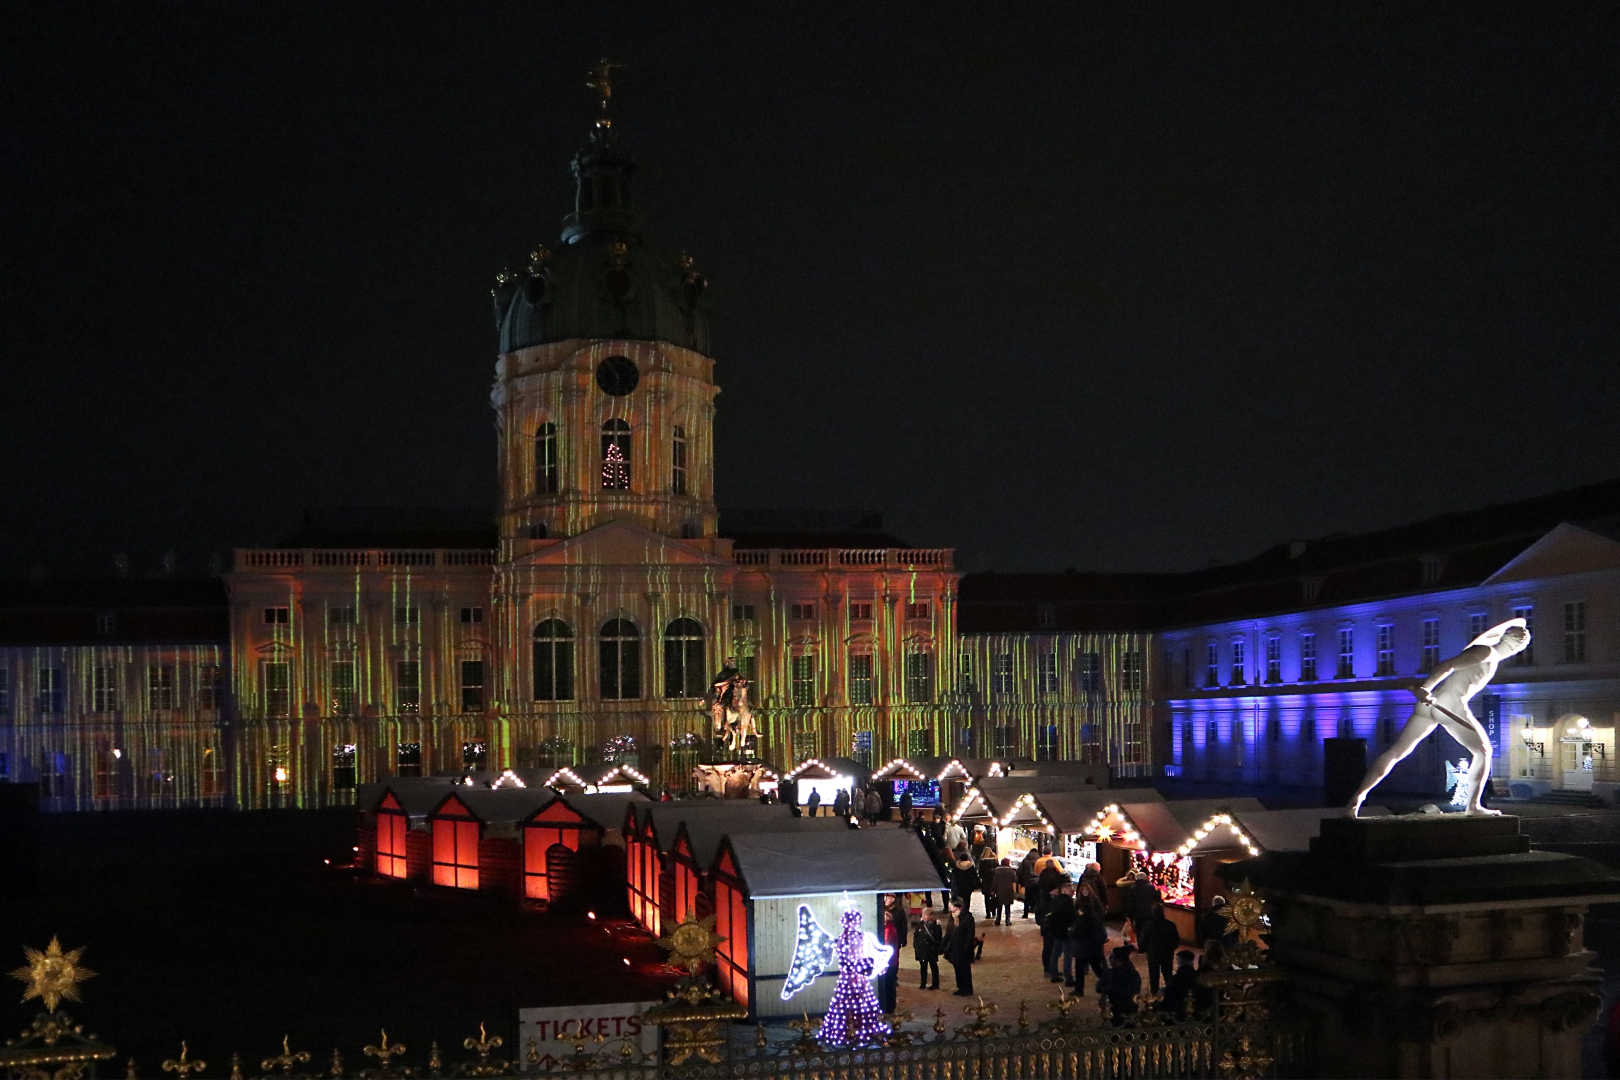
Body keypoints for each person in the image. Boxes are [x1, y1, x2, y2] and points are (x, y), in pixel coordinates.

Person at [1346, 618, 1531, 816]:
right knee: (1483, 752)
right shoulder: (1487, 652)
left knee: (1395, 753)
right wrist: (1426, 687)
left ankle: (1355, 801)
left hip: (1431, 704)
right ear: (1516, 646)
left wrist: (1427, 690)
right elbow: (1447, 666)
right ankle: (1473, 806)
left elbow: (1449, 668)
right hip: (1449, 703)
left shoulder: (1489, 655)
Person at [1069, 882, 1109, 994]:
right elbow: (1102, 934)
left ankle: (1079, 989)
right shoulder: (1095, 920)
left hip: (1083, 948)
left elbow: (1075, 934)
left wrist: (1070, 932)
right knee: (1097, 967)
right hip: (1093, 948)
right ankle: (1107, 984)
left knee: (1079, 969)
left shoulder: (1081, 920)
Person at [876, 893, 907, 1014]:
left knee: (889, 984)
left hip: (889, 962)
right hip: (889, 961)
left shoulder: (889, 930)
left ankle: (889, 1007)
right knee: (887, 984)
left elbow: (887, 945)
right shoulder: (886, 928)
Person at [1141, 904, 1180, 994]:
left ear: (1152, 912)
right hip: (1167, 954)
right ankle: (1170, 993)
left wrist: (1145, 950)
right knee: (1168, 975)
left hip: (1153, 954)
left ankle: (1154, 995)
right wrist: (1171, 949)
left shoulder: (1148, 925)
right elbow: (1176, 940)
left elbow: (1143, 940)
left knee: (1154, 976)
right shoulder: (1170, 924)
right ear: (1163, 912)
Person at [1044, 883, 1077, 984]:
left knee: (1055, 952)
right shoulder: (1067, 902)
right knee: (1068, 954)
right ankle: (1068, 976)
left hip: (1057, 931)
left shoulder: (1056, 900)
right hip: (1065, 932)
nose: (1073, 892)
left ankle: (1054, 973)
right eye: (1071, 890)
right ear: (1065, 891)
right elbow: (1069, 917)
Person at [944, 897, 976, 995]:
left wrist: (966, 947)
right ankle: (961, 987)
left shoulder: (967, 917)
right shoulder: (952, 917)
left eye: (951, 905)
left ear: (957, 906)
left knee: (965, 969)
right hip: (954, 948)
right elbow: (948, 932)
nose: (949, 906)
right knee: (957, 968)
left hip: (963, 949)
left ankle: (967, 989)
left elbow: (970, 934)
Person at [1123, 871, 1162, 947]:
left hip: (1137, 913)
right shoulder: (1151, 887)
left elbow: (1130, 903)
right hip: (1149, 912)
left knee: (1139, 930)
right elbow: (1156, 898)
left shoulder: (1132, 888)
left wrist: (1128, 915)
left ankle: (1141, 946)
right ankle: (1148, 945)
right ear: (1145, 878)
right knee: (1149, 928)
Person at [1105, 945, 1141, 1024]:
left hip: (1127, 1007)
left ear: (1119, 960)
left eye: (1112, 957)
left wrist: (1110, 989)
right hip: (1114, 1006)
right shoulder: (1110, 972)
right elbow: (1099, 986)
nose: (1109, 959)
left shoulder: (1132, 974)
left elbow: (1132, 991)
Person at [1156, 950, 1198, 1015]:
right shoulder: (1198, 976)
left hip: (1178, 1010)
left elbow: (1168, 996)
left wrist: (1162, 991)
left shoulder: (1175, 979)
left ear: (1179, 961)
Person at [913, 907, 943, 990]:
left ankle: (935, 984)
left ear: (931, 916)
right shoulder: (920, 924)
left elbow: (938, 938)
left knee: (933, 966)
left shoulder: (936, 926)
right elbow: (916, 936)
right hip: (922, 949)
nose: (924, 916)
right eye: (923, 914)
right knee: (923, 967)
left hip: (931, 949)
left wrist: (937, 948)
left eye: (926, 915)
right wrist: (916, 946)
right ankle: (923, 983)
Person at [991, 858, 1018, 926]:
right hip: (1008, 890)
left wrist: (993, 890)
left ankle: (998, 920)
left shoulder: (996, 870)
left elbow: (994, 881)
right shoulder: (1011, 871)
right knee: (1007, 907)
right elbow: (1014, 880)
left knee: (999, 906)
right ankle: (1007, 921)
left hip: (999, 890)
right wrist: (1014, 891)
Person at [1017, 850, 1040, 919]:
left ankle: (1025, 914)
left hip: (1028, 882)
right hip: (1038, 881)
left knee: (1027, 898)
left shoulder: (1025, 861)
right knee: (1038, 898)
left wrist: (1021, 882)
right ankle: (1036, 913)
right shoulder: (1039, 860)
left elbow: (1019, 872)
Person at [977, 852, 1000, 923]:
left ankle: (988, 913)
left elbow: (980, 873)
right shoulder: (995, 861)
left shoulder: (982, 862)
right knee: (993, 896)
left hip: (985, 882)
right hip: (993, 881)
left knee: (986, 898)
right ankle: (994, 911)